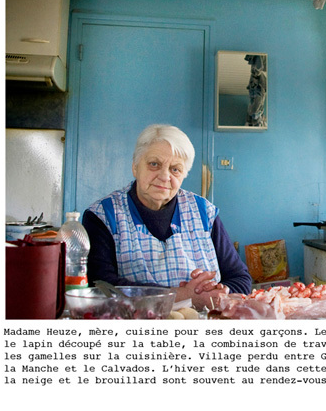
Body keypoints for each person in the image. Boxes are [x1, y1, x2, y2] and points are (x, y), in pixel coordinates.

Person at [82, 124, 252, 309]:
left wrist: (217, 293)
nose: (164, 176)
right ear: (135, 167)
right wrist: (183, 296)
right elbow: (101, 286)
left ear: (184, 175)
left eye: (175, 169)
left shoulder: (205, 212)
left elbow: (240, 279)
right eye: (154, 164)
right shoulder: (102, 216)